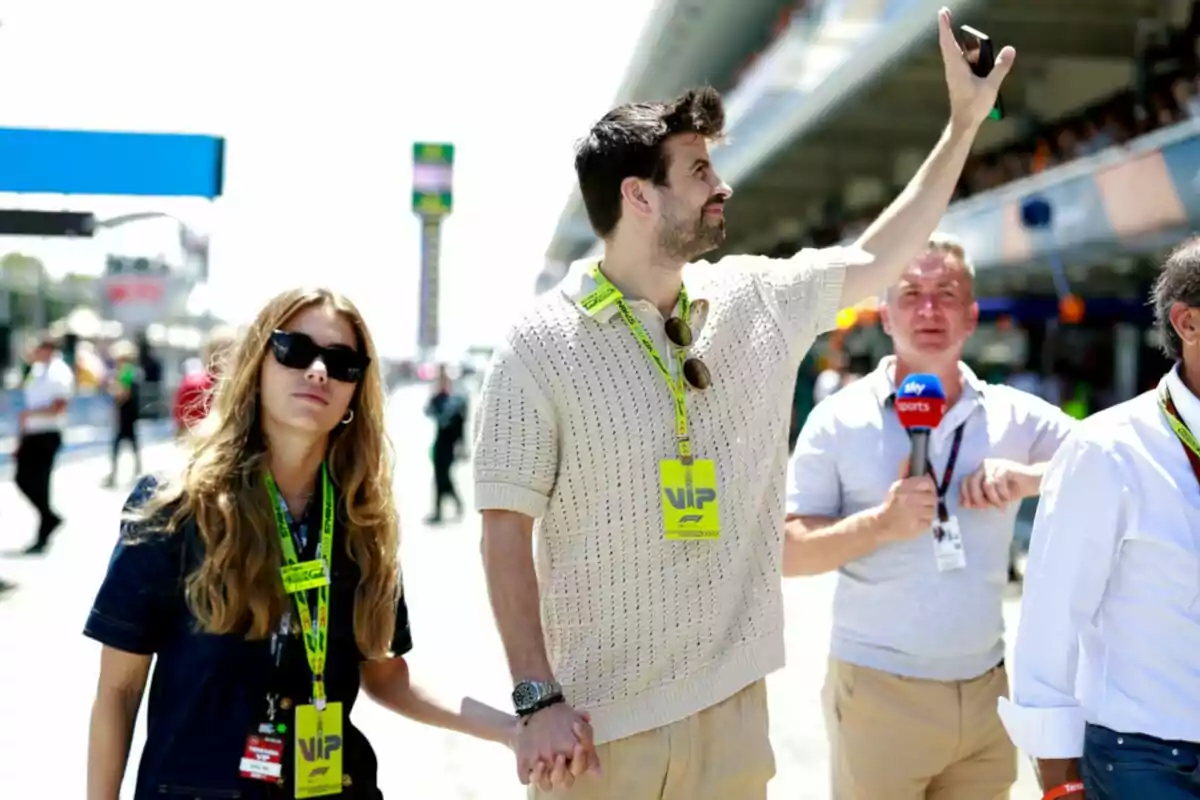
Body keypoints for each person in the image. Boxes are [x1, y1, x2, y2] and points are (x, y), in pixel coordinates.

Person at [472, 9, 1014, 797]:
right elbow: (502, 534)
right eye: (697, 170)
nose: (722, 184)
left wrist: (963, 124)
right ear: (639, 197)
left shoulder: (757, 297)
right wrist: (535, 696)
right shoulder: (538, 343)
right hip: (594, 730)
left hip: (733, 717)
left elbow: (877, 253)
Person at [84, 287, 517, 800]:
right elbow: (119, 688)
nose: (317, 371)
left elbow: (387, 675)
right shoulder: (176, 506)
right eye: (293, 349)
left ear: (357, 390)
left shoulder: (361, 520)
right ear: (257, 365)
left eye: (341, 362)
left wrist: (513, 730)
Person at [783, 236, 1075, 800]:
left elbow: (1111, 466)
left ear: (971, 316)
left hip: (987, 693)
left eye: (946, 294)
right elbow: (789, 551)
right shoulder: (837, 420)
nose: (928, 309)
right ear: (885, 315)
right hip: (879, 694)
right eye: (911, 294)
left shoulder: (1014, 416)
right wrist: (880, 524)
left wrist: (1030, 480)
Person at [999, 239, 1200, 800]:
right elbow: (1049, 627)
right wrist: (1059, 784)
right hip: (1149, 761)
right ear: (1188, 323)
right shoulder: (1108, 450)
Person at [16, 335, 73, 554]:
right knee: (23, 478)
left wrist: (32, 413)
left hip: (47, 432)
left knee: (41, 482)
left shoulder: (59, 372)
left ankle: (43, 531)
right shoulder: (38, 371)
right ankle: (49, 517)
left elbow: (59, 406)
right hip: (32, 432)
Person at [174, 325, 238, 436]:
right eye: (221, 351)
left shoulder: (247, 385)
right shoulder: (194, 386)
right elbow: (183, 429)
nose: (225, 357)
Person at [424, 365, 467, 524]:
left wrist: (462, 446)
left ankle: (450, 506)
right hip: (440, 444)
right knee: (439, 477)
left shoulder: (456, 401)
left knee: (444, 477)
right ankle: (441, 510)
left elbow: (461, 426)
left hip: (450, 446)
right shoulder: (437, 399)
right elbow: (427, 411)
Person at [103, 340, 143, 488]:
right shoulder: (129, 371)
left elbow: (123, 393)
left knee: (120, 444)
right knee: (131, 443)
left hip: (126, 413)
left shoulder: (126, 371)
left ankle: (116, 475)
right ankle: (135, 471)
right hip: (127, 413)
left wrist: (113, 390)